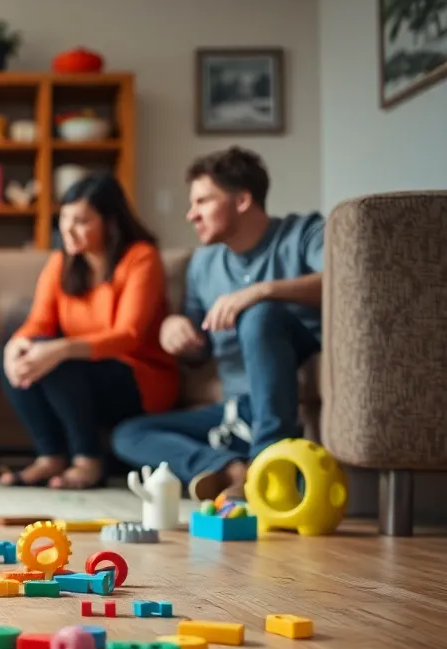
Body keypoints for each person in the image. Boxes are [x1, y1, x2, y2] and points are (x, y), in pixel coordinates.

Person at [111, 146, 324, 501]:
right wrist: (175, 329)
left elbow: (347, 280)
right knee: (128, 435)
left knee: (259, 313)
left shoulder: (304, 233)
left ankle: (269, 467)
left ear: (242, 200)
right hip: (233, 411)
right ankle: (228, 468)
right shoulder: (203, 263)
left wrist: (261, 291)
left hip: (282, 391)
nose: (191, 214)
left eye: (203, 201)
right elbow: (200, 343)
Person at [0, 173, 179, 490]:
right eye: (64, 218)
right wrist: (16, 344)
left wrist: (62, 348)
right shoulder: (62, 263)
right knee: (21, 354)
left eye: (81, 220)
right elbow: (38, 322)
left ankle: (88, 459)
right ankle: (51, 456)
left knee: (57, 360)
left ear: (110, 222)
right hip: (86, 375)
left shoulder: (141, 258)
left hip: (138, 377)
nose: (67, 229)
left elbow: (129, 334)